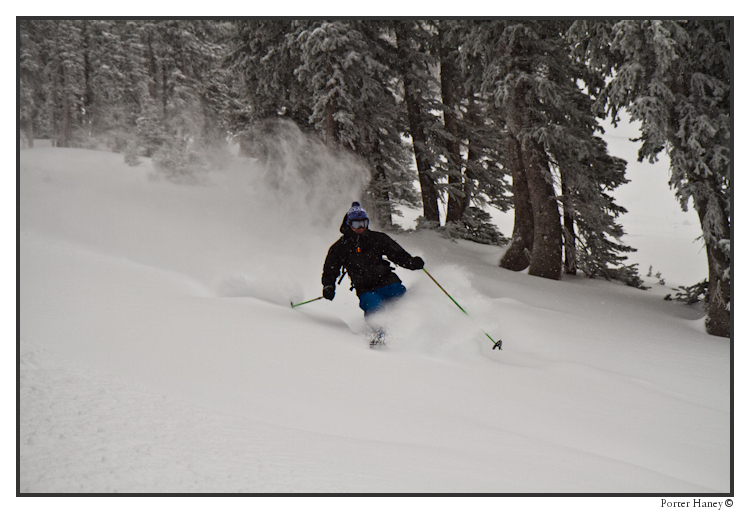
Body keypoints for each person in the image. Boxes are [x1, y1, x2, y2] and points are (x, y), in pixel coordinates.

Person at [322, 202, 424, 335]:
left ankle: (413, 332)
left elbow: (397, 254)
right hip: (366, 289)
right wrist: (328, 286)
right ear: (348, 224)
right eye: (356, 224)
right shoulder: (340, 247)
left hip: (388, 282)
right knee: (373, 307)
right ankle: (381, 336)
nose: (360, 228)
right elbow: (331, 268)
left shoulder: (377, 238)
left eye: (363, 223)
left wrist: (411, 262)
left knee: (403, 304)